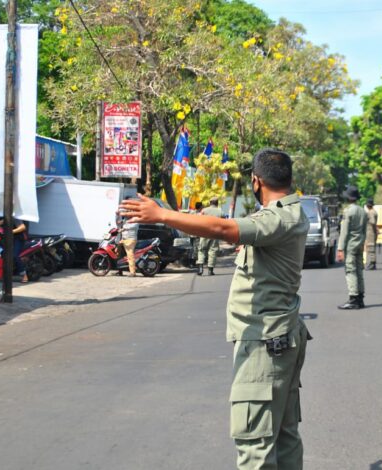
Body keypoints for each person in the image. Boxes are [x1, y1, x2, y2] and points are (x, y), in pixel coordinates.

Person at [120, 148, 311, 470]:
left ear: (256, 181)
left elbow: (223, 229)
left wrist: (162, 214)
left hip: (265, 341)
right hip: (279, 337)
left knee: (256, 441)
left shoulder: (277, 217)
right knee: (282, 434)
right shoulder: (287, 214)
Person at [336, 186, 367, 309]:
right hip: (359, 243)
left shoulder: (348, 211)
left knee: (351, 271)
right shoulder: (362, 211)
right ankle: (360, 297)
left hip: (350, 245)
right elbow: (365, 230)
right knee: (359, 270)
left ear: (348, 198)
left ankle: (353, 298)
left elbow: (344, 231)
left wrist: (340, 248)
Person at [197, 197, 222, 276]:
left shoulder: (204, 210)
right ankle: (210, 270)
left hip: (204, 232)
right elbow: (224, 221)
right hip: (215, 233)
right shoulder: (220, 211)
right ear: (217, 203)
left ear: (210, 203)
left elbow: (199, 220)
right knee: (212, 251)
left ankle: (200, 268)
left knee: (201, 250)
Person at [119, 201, 139, 277]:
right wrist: (117, 215)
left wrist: (124, 228)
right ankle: (120, 270)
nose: (129, 212)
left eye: (130, 210)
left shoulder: (136, 218)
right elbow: (119, 222)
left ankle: (132, 272)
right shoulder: (126, 219)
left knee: (130, 255)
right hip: (124, 238)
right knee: (117, 252)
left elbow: (132, 226)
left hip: (130, 239)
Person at [365, 198, 378, 270]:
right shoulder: (374, 211)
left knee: (371, 247)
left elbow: (372, 221)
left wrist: (367, 220)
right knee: (371, 247)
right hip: (372, 231)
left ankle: (372, 263)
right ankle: (372, 262)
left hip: (370, 231)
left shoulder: (371, 212)